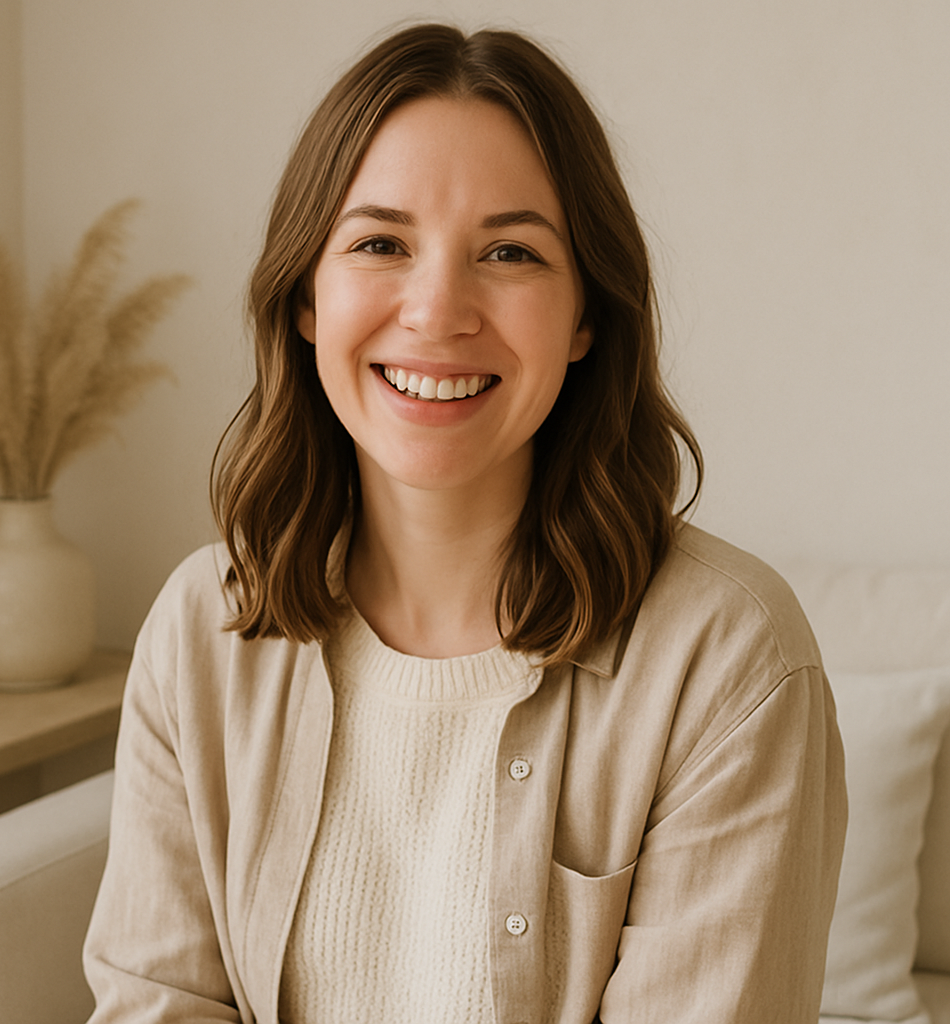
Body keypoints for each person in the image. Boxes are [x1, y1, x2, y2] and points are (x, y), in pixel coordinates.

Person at [83, 23, 846, 1024]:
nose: (437, 309)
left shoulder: (729, 660)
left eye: (509, 251)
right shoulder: (199, 630)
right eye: (379, 242)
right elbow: (156, 1002)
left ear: (585, 319)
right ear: (307, 295)